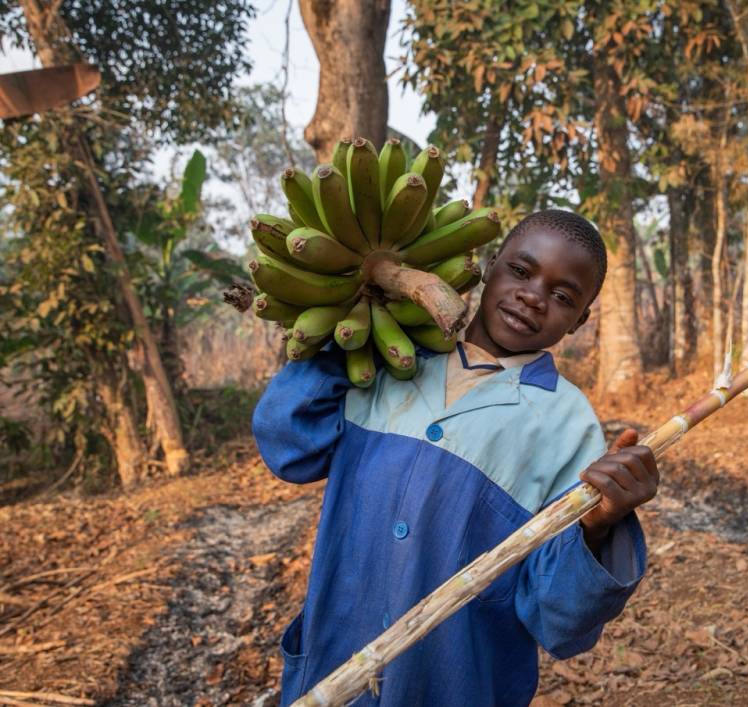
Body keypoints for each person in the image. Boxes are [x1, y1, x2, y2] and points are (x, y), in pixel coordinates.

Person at [253, 209, 660, 706]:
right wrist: (344, 329)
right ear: (489, 265)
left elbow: (559, 620)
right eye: (521, 271)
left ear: (581, 319)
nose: (533, 296)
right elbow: (288, 447)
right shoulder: (388, 357)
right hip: (330, 664)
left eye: (562, 296)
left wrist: (599, 526)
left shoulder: (566, 425)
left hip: (455, 685)